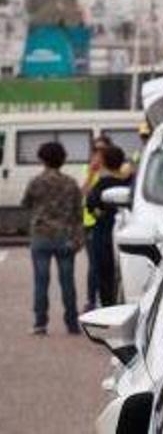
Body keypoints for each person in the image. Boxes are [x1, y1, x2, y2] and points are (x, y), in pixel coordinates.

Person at [21, 142, 84, 336]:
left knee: (41, 281)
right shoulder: (71, 183)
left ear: (42, 159)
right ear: (63, 159)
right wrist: (78, 236)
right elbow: (78, 212)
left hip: (41, 237)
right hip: (65, 237)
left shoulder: (35, 182)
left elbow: (26, 204)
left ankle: (40, 323)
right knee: (67, 281)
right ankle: (72, 324)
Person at [86, 146, 132, 307]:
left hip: (104, 233)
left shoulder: (103, 183)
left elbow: (90, 203)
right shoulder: (130, 181)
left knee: (105, 275)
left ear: (104, 162)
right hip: (128, 231)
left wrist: (99, 213)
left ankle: (108, 308)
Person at [81, 136, 112, 312]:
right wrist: (91, 174)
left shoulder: (115, 169)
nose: (99, 154)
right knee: (94, 264)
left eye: (103, 151)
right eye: (96, 150)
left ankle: (107, 299)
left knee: (107, 263)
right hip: (90, 222)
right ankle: (91, 300)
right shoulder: (87, 169)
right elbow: (83, 192)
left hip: (108, 221)